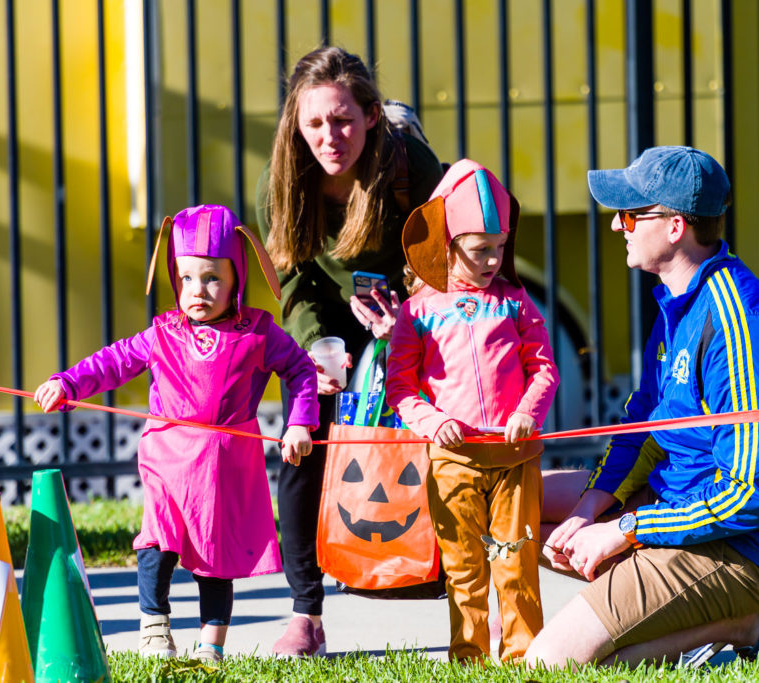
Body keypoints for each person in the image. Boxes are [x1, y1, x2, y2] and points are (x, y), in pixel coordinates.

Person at [525, 146, 759, 668]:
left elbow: (751, 496)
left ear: (674, 226)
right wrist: (593, 504)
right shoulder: (675, 302)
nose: (618, 227)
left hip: (750, 547)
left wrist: (624, 530)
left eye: (628, 215)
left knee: (550, 663)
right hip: (681, 505)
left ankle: (749, 622)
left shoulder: (742, 327)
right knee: (514, 506)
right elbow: (645, 420)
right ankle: (676, 605)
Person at [33, 204, 319, 662]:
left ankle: (211, 645)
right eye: (186, 278)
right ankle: (154, 626)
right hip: (167, 455)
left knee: (214, 554)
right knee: (158, 540)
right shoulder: (162, 333)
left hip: (223, 464)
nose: (197, 291)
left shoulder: (257, 333)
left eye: (211, 278)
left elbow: (302, 371)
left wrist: (300, 421)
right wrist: (67, 382)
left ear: (237, 279)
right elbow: (113, 361)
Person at [255, 45, 443, 657]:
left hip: (408, 312)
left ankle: (456, 587)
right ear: (295, 123)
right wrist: (314, 348)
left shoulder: (409, 163)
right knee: (306, 447)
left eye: (341, 120)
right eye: (314, 123)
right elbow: (291, 278)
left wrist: (404, 319)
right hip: (328, 321)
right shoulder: (282, 180)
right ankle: (305, 613)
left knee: (432, 443)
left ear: (367, 114)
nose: (329, 136)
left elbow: (446, 260)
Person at [385, 159, 560, 662]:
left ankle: (525, 657)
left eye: (500, 247)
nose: (493, 260)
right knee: (464, 567)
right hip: (453, 461)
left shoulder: (515, 302)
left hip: (514, 458)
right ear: (447, 242)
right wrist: (433, 421)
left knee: (516, 564)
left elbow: (544, 367)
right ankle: (469, 659)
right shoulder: (416, 311)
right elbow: (400, 386)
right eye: (481, 249)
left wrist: (528, 412)